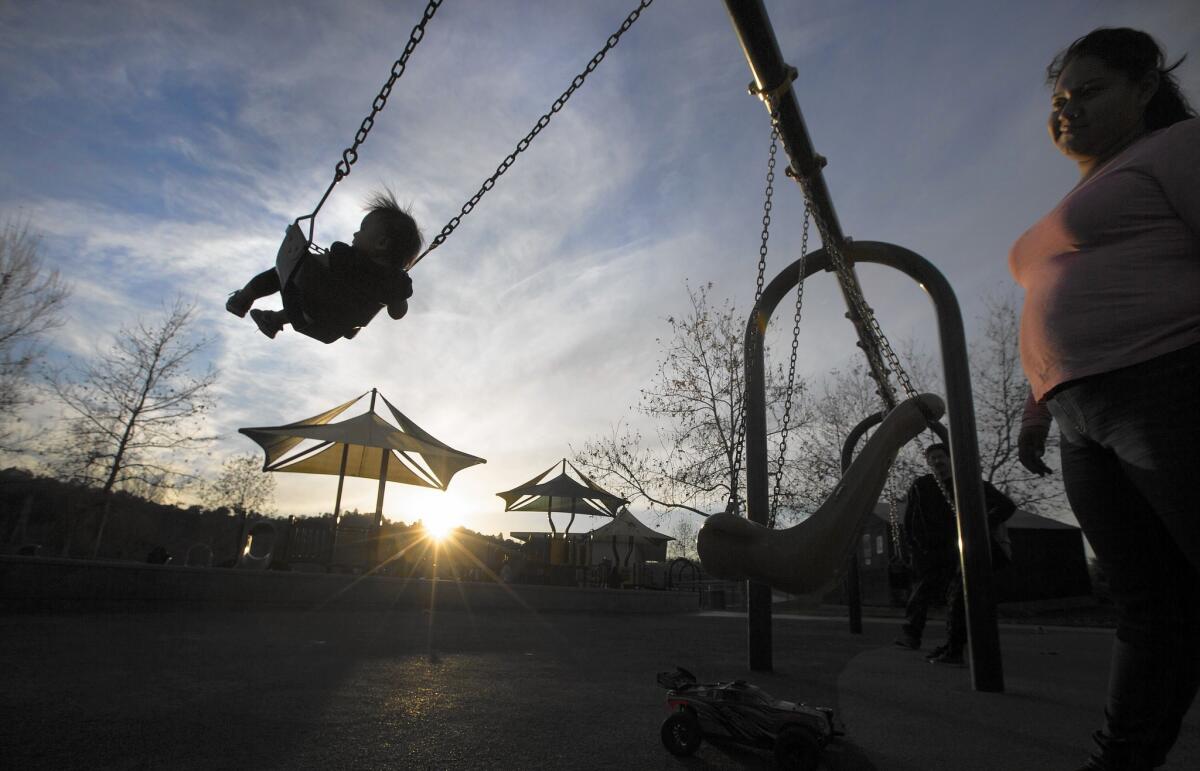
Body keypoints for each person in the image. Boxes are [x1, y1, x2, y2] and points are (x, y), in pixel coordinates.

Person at [1010, 28, 1199, 771]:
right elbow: (1047, 311)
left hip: (1167, 377)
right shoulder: (1080, 195)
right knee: (1148, 597)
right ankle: (1124, 757)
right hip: (1076, 411)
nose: (1067, 111)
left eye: (1088, 92)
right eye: (1059, 101)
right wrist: (1035, 408)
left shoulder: (1176, 148)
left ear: (1145, 86)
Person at [226, 190, 421, 343]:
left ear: (381, 243)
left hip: (308, 302)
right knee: (327, 307)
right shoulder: (398, 283)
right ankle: (275, 320)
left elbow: (312, 264)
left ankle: (243, 298)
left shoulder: (346, 256)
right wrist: (396, 298)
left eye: (362, 229)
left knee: (285, 272)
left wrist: (318, 256)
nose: (355, 234)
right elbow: (398, 313)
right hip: (330, 325)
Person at [893, 443, 1015, 665]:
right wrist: (911, 544)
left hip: (961, 547)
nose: (937, 462)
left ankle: (955, 646)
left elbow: (1007, 506)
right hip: (933, 549)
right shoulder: (923, 486)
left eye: (940, 457)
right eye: (932, 459)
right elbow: (911, 519)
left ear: (950, 459)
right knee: (921, 591)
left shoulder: (968, 483)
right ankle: (913, 636)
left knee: (958, 596)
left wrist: (980, 524)